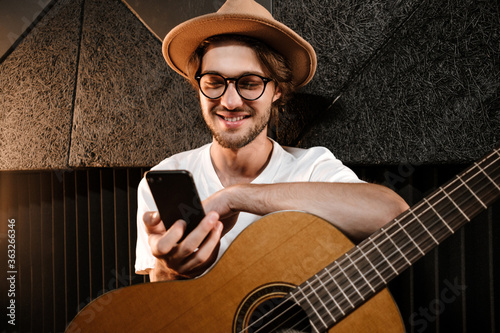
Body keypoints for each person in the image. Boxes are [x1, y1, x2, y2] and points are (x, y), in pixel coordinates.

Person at [135, 0, 409, 282]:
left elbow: (393, 216)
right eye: (214, 82)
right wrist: (169, 269)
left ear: (276, 89)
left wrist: (236, 197)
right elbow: (161, 310)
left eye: (250, 83)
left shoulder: (312, 168)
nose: (229, 101)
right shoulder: (162, 179)